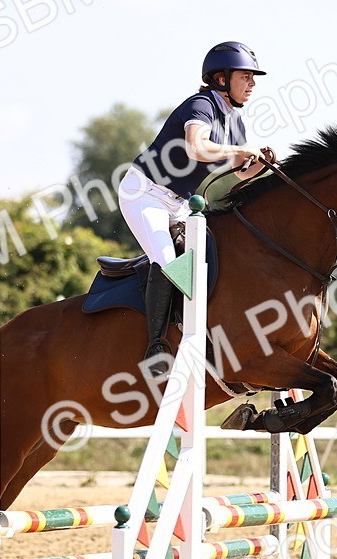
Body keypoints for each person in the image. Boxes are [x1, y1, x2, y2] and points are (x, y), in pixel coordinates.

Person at [118, 41, 274, 376]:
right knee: (169, 261)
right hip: (144, 193)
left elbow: (237, 178)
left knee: (210, 256)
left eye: (252, 78)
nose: (252, 84)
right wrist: (238, 150)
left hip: (178, 204)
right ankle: (155, 347)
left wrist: (257, 166)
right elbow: (197, 147)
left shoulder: (235, 123)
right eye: (245, 76)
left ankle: (198, 332)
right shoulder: (201, 104)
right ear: (221, 79)